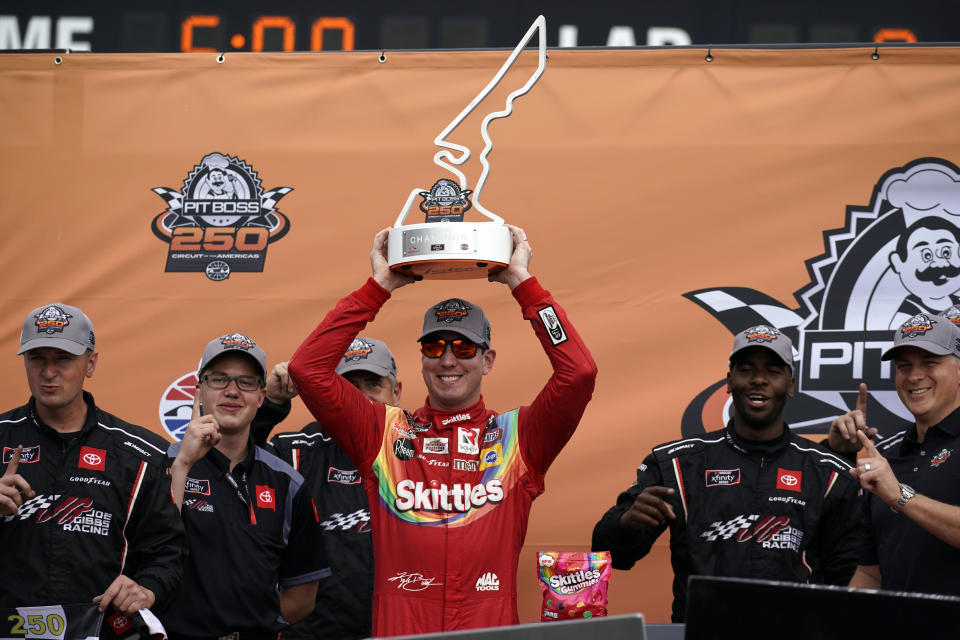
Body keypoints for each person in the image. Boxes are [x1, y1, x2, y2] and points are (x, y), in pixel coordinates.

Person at [287, 225, 597, 636]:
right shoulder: (384, 434)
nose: (448, 360)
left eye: (463, 347)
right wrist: (378, 287)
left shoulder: (519, 438)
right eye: (434, 347)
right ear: (421, 360)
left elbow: (579, 373)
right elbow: (307, 370)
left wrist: (521, 281)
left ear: (487, 361)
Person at [592, 325, 862, 622]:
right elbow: (610, 552)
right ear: (729, 381)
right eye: (746, 369)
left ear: (790, 385)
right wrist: (626, 524)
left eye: (772, 371)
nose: (758, 379)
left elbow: (849, 578)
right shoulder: (678, 464)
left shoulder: (827, 473)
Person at [0, 302, 185, 635]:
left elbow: (168, 553)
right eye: (37, 358)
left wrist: (145, 589)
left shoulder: (140, 453)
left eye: (64, 359)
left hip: (102, 630)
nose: (48, 372)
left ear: (91, 363)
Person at [162, 333, 329, 640]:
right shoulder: (162, 464)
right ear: (198, 391)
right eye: (219, 380)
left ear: (261, 397)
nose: (232, 391)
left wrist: (252, 627)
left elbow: (303, 596)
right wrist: (183, 464)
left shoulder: (288, 482)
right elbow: (150, 547)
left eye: (246, 382)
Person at [259, 338, 401, 640]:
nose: (360, 397)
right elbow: (231, 468)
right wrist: (270, 406)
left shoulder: (420, 453)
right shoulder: (294, 453)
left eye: (373, 384)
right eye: (348, 386)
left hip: (400, 632)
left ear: (396, 392)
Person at [831, 313, 960, 595]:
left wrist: (901, 496)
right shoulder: (884, 457)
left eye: (930, 363)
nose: (914, 376)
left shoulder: (888, 478)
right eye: (904, 366)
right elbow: (871, 572)